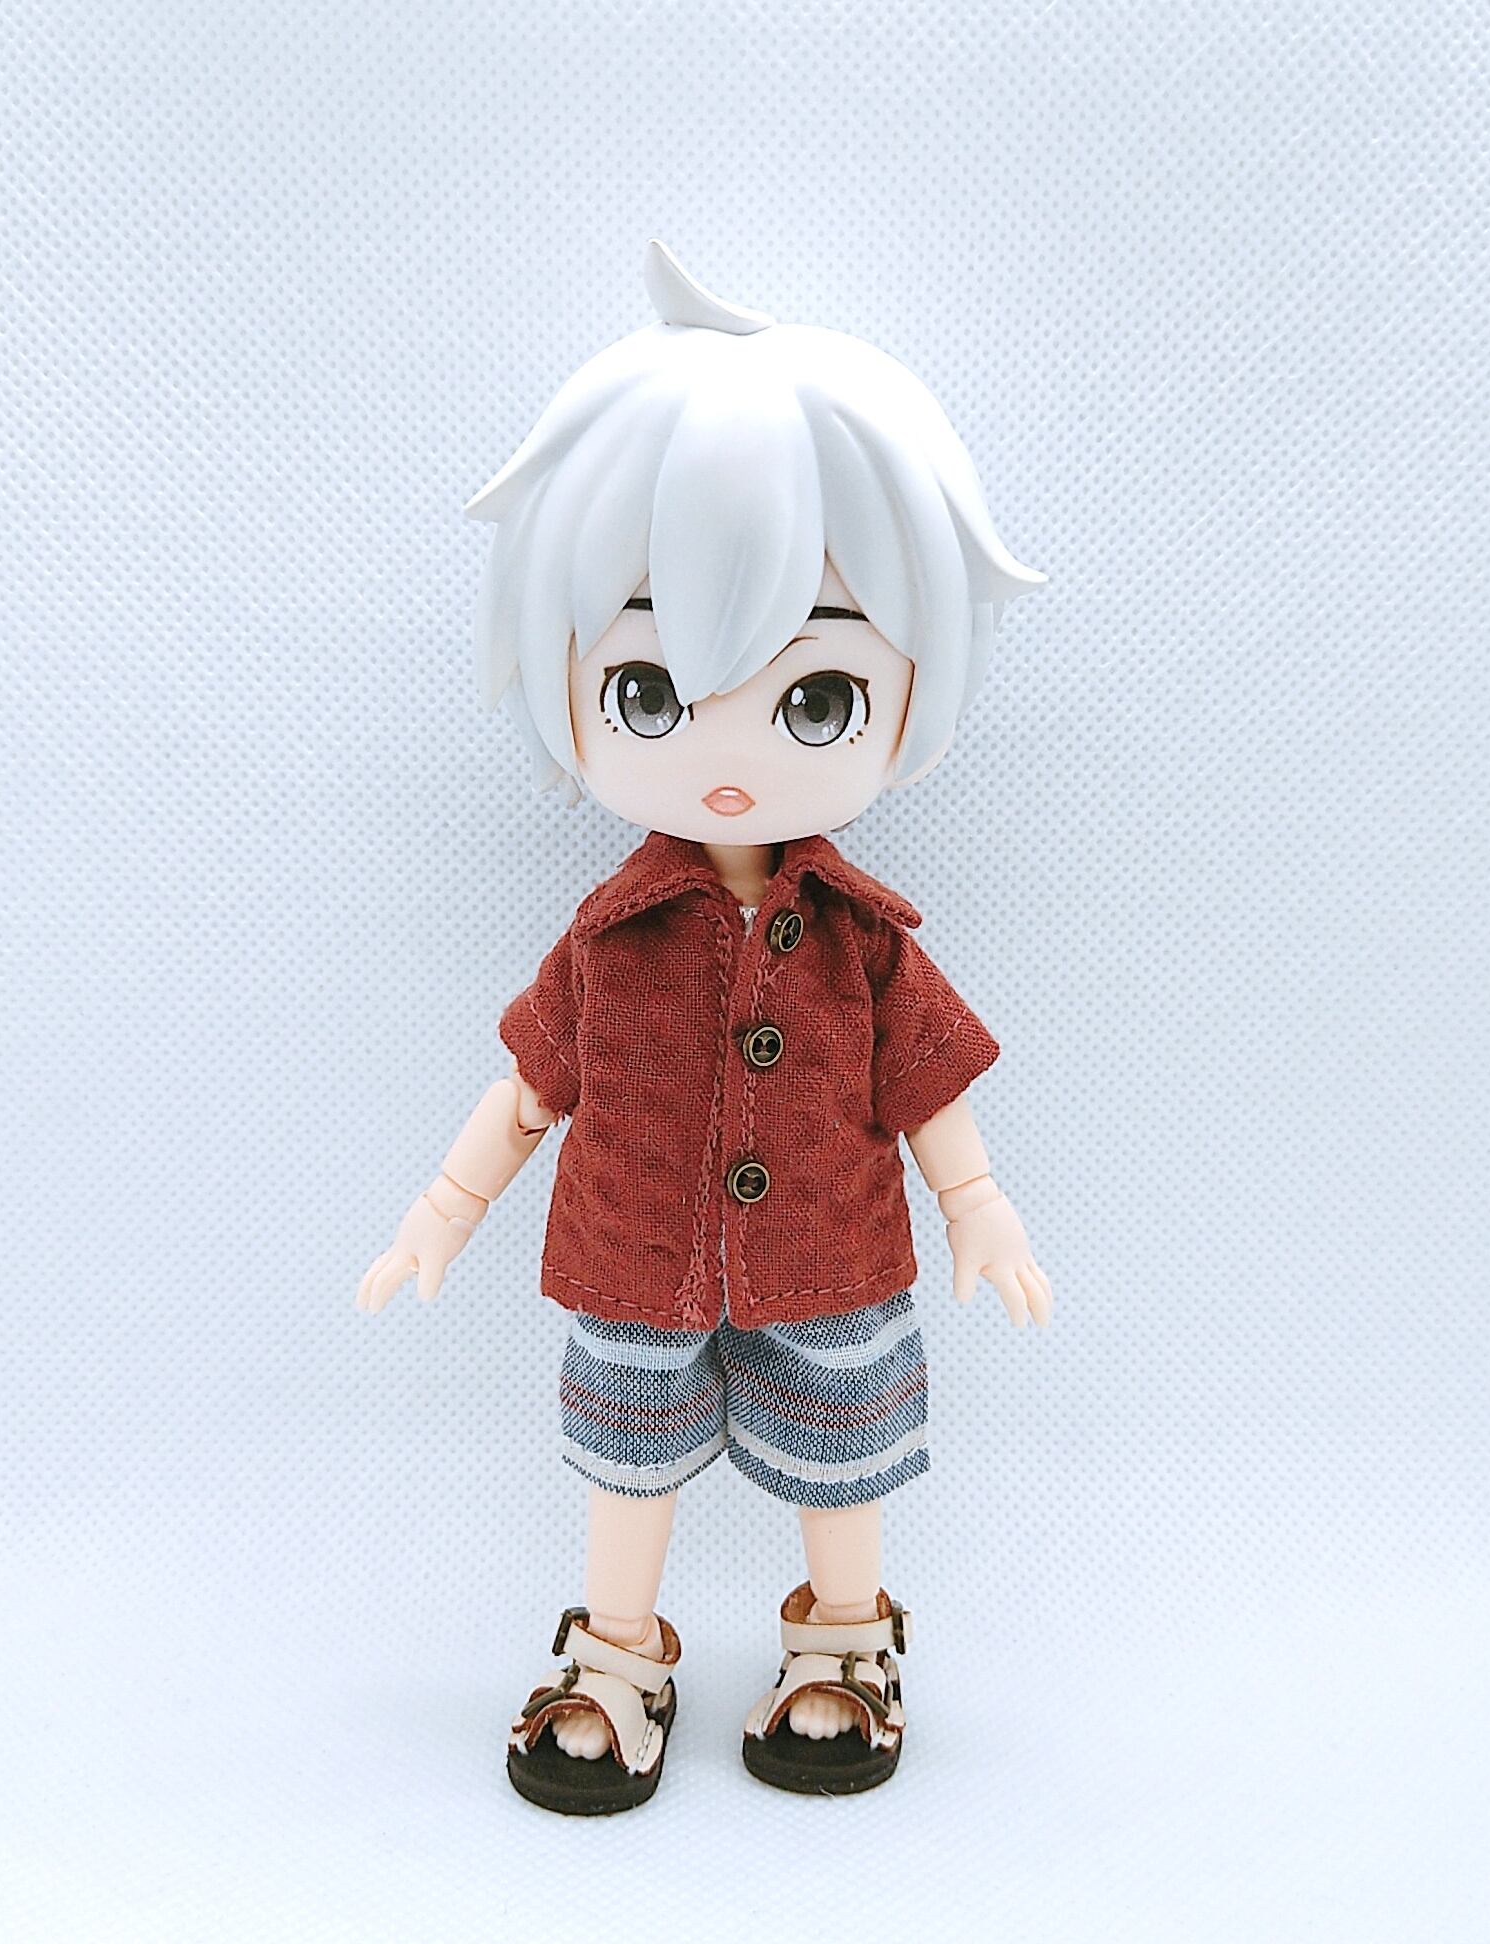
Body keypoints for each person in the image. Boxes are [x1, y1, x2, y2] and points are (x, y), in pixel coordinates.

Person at [356, 240, 1051, 1813]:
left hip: (832, 1252)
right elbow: (530, 1088)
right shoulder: (611, 938)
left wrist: (980, 1205)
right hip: (634, 1257)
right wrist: (443, 1208)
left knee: (844, 1454)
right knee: (626, 1462)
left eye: (814, 699)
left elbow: (925, 1083)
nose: (730, 752)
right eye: (654, 693)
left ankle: (846, 1639)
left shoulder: (864, 940)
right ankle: (617, 1650)